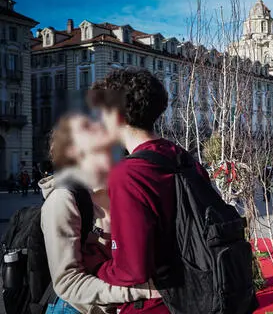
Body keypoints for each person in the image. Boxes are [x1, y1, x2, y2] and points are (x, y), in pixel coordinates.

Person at [87, 67, 210, 313]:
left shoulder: (128, 174)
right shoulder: (183, 158)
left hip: (157, 304)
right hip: (197, 293)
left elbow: (132, 269)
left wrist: (94, 265)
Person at [39, 113, 159, 314]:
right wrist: (141, 291)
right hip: (75, 309)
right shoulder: (62, 201)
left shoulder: (122, 192)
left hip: (122, 306)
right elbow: (68, 283)